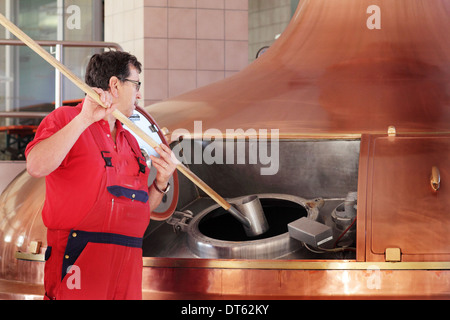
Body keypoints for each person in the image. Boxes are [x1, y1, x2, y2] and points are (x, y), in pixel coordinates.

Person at [25, 51, 177, 300]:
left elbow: (140, 210)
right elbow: (36, 166)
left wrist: (161, 182)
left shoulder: (130, 141)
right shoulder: (65, 119)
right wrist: (84, 118)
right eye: (136, 85)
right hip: (80, 254)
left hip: (128, 261)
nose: (139, 94)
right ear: (115, 84)